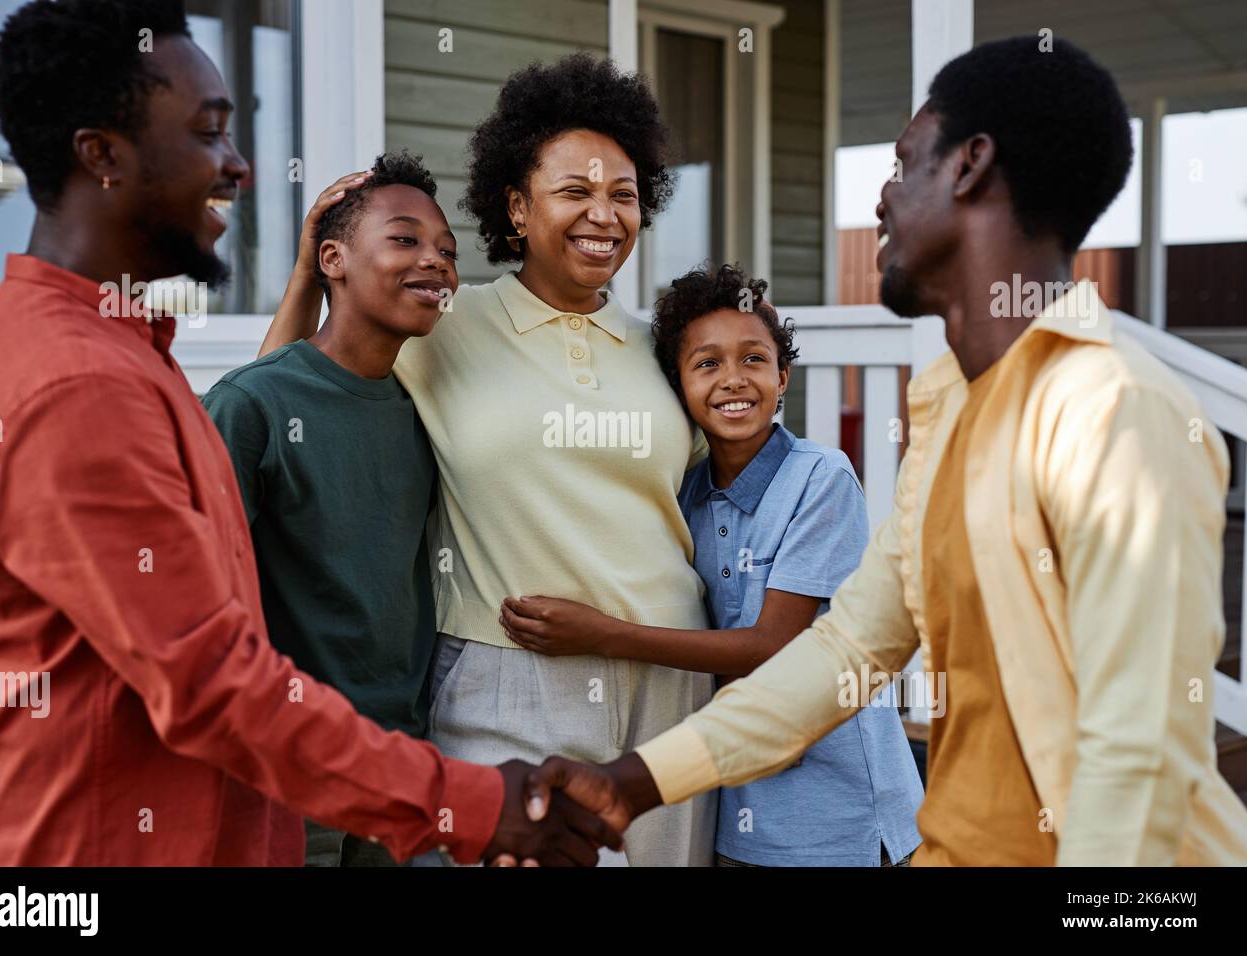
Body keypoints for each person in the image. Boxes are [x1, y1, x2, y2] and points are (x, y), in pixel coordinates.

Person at [524, 36, 1247, 866]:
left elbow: (1139, 760)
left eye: (904, 165)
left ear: (970, 166)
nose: (881, 201)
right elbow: (844, 653)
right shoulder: (949, 408)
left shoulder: (1114, 415)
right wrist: (632, 781)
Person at [0, 0, 617, 867]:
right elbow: (210, 682)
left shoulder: (116, 353)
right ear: (103, 156)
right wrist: (472, 803)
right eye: (209, 134)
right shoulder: (76, 385)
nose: (238, 167)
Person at [260, 54, 717, 866]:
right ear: (516, 204)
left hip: (667, 676)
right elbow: (288, 398)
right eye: (574, 192)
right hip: (504, 674)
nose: (603, 215)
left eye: (623, 195)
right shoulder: (442, 322)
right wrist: (308, 272)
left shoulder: (667, 348)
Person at [500, 264, 923, 866]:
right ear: (677, 385)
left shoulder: (820, 477)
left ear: (783, 376)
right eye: (706, 364)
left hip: (842, 816)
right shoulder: (684, 493)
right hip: (740, 816)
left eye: (753, 360)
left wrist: (603, 635)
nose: (733, 380)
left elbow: (775, 645)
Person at [203, 152, 458, 867]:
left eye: (447, 250)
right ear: (333, 259)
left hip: (400, 767)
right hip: (285, 774)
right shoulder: (250, 404)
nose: (434, 262)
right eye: (404, 239)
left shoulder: (426, 413)